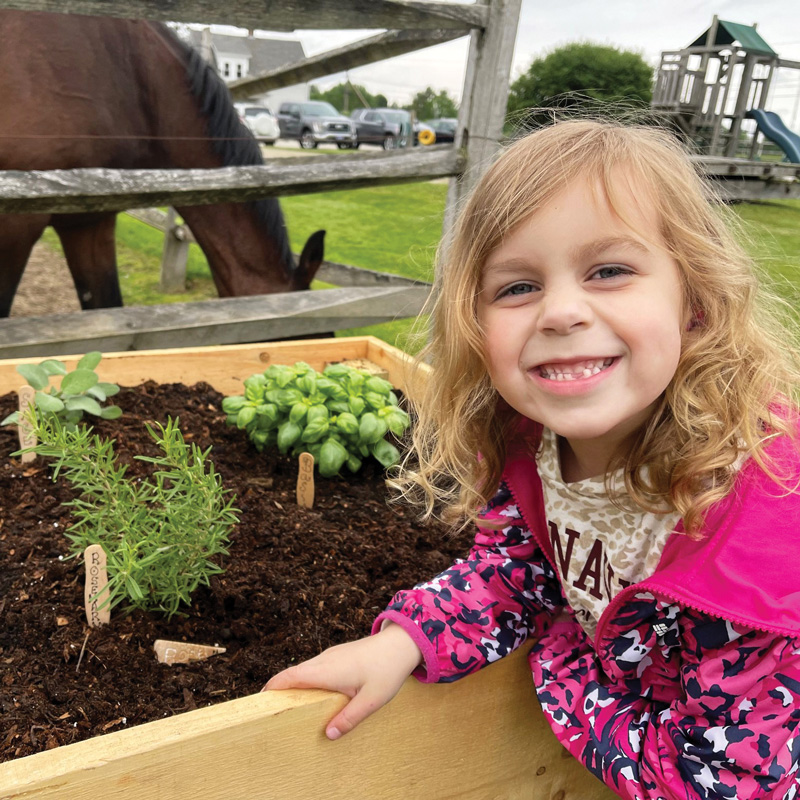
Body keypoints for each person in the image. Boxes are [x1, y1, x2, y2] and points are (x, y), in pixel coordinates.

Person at [265, 120, 800, 799]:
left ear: (695, 304)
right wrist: (400, 643)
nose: (561, 312)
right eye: (517, 287)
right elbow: (513, 571)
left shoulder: (758, 540)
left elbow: (718, 780)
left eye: (609, 271)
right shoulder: (534, 444)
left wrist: (557, 664)